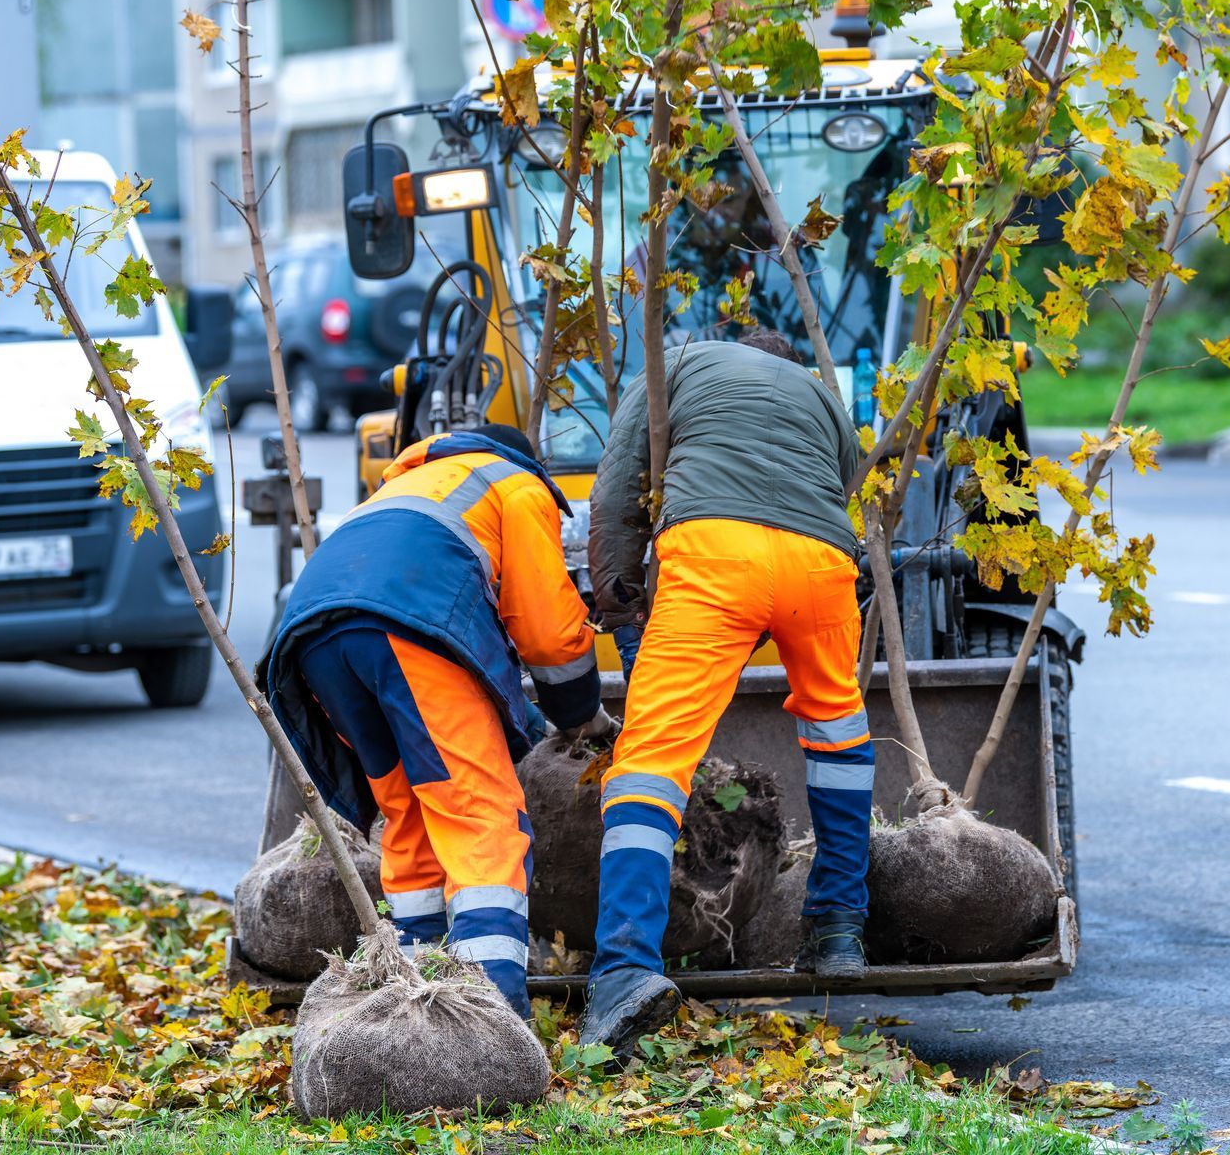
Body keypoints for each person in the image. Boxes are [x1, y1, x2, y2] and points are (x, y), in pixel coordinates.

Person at [580, 329, 872, 1053]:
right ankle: (838, 928)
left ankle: (623, 971)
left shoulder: (675, 359)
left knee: (651, 760)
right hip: (821, 561)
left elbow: (619, 482)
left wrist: (618, 597)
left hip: (716, 553)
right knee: (837, 731)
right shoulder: (819, 389)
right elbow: (843, 479)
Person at [262, 424, 607, 1017]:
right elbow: (549, 633)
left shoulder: (406, 486)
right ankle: (490, 1018)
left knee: (412, 808)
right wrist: (582, 716)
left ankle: (416, 999)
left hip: (314, 641)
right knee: (479, 816)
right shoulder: (516, 484)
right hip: (406, 627)